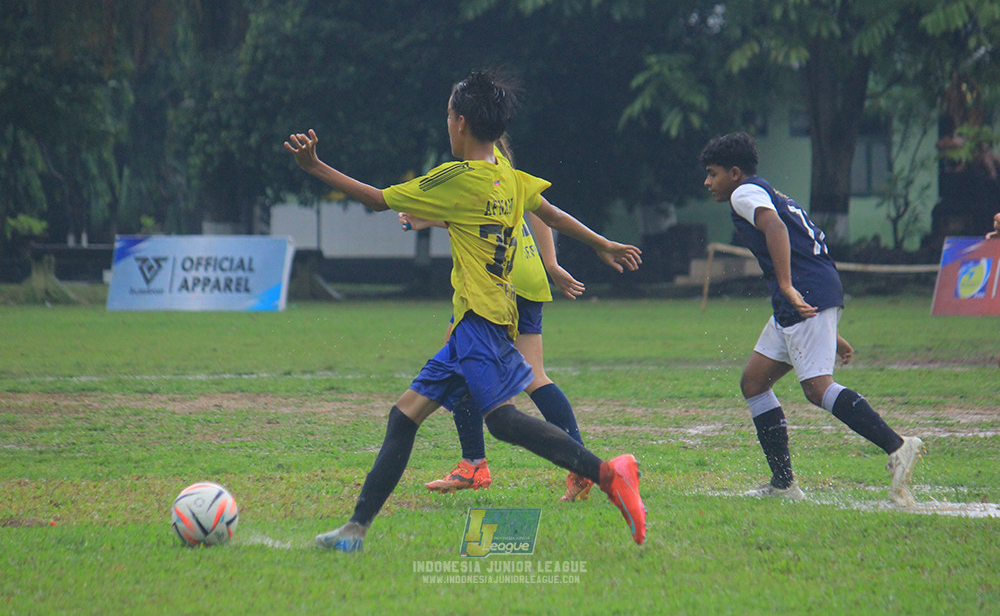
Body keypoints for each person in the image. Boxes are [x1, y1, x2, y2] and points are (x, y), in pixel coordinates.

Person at [285, 69, 646, 551]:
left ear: (459, 123)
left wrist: (316, 168)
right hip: (478, 323)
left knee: (501, 420)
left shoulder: (457, 178)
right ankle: (355, 531)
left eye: (447, 117)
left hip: (480, 321)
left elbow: (376, 200)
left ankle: (606, 472)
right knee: (404, 417)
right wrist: (601, 243)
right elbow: (552, 215)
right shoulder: (509, 177)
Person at [401, 143, 640, 502]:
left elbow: (471, 214)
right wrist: (551, 263)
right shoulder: (501, 159)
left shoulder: (476, 155)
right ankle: (580, 465)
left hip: (495, 279)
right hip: (526, 270)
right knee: (534, 374)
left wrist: (424, 216)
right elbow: (539, 210)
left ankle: (474, 464)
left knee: (464, 362)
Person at [699, 131, 925, 506]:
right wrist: (824, 325)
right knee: (754, 382)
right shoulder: (764, 190)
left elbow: (775, 228)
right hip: (807, 294)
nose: (708, 182)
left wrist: (788, 286)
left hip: (804, 291)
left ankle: (898, 446)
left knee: (817, 388)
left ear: (735, 173)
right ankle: (784, 484)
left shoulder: (744, 193)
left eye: (712, 173)